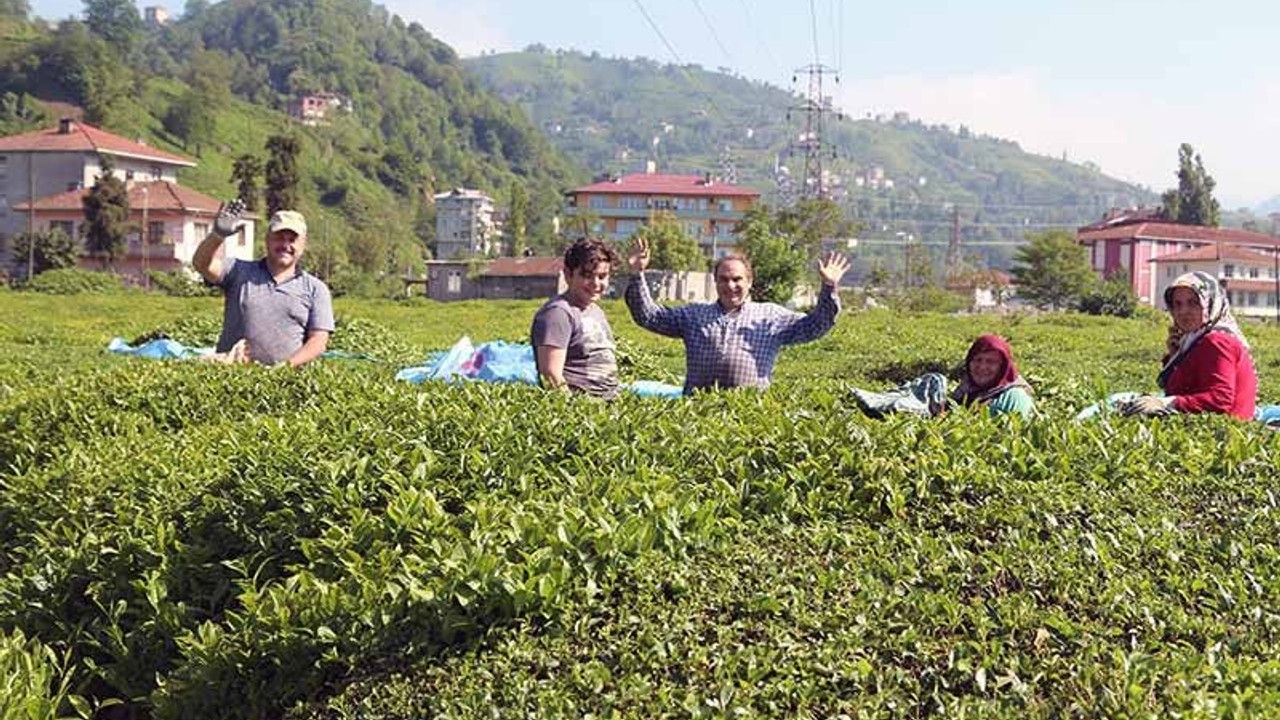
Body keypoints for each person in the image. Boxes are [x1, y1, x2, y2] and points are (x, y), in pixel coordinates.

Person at [624, 237, 849, 394]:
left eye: (737, 279)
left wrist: (829, 287)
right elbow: (649, 316)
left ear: (749, 282)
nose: (730, 286)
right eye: (723, 279)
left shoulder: (770, 316)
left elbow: (816, 325)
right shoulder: (693, 315)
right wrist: (636, 275)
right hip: (698, 412)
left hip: (749, 414)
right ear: (715, 281)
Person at [192, 201, 334, 368]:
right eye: (279, 238)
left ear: (303, 244)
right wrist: (217, 235)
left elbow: (318, 341)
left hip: (286, 380)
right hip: (232, 375)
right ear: (267, 240)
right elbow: (201, 264)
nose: (285, 245)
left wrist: (286, 367)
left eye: (292, 239)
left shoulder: (315, 288)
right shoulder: (238, 271)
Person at [1121, 271, 1257, 419]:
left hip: (1222, 432)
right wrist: (1175, 356)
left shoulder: (1217, 341)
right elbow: (1184, 389)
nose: (1183, 311)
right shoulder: (1194, 340)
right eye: (1177, 304)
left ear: (1210, 303)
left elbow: (1220, 400)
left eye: (1193, 303)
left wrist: (1165, 403)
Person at [530, 238, 620, 399]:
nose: (595, 283)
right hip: (582, 411)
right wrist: (574, 411)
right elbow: (550, 375)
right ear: (568, 274)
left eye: (602, 276)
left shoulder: (595, 310)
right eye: (587, 275)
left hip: (604, 408)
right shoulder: (558, 313)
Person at [951, 334, 1035, 418]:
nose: (982, 367)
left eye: (991, 361)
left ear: (1002, 367)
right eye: (978, 360)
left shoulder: (1015, 397)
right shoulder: (963, 391)